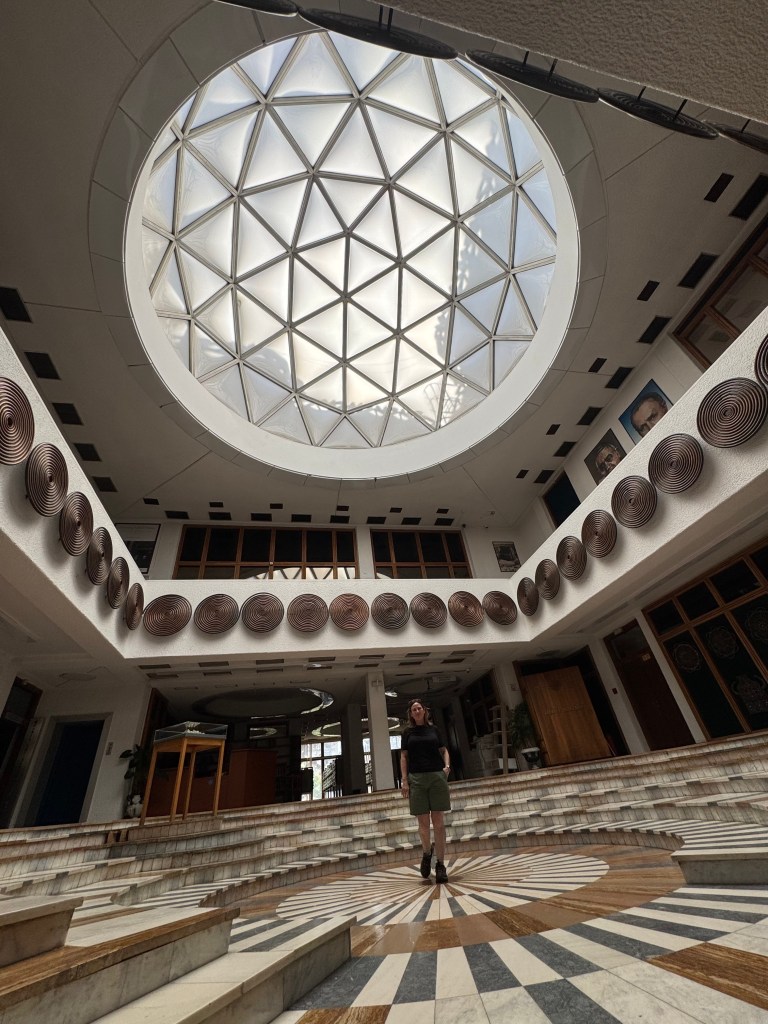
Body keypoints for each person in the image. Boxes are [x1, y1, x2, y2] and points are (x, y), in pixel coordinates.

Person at [400, 698, 451, 883]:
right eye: (413, 709)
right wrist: (404, 780)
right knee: (423, 823)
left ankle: (440, 864)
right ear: (411, 713)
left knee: (438, 822)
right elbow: (404, 757)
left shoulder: (434, 730)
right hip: (417, 779)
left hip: (436, 776)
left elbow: (444, 750)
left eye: (419, 708)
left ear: (424, 711)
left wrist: (447, 766)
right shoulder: (407, 733)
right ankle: (426, 853)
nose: (416, 711)